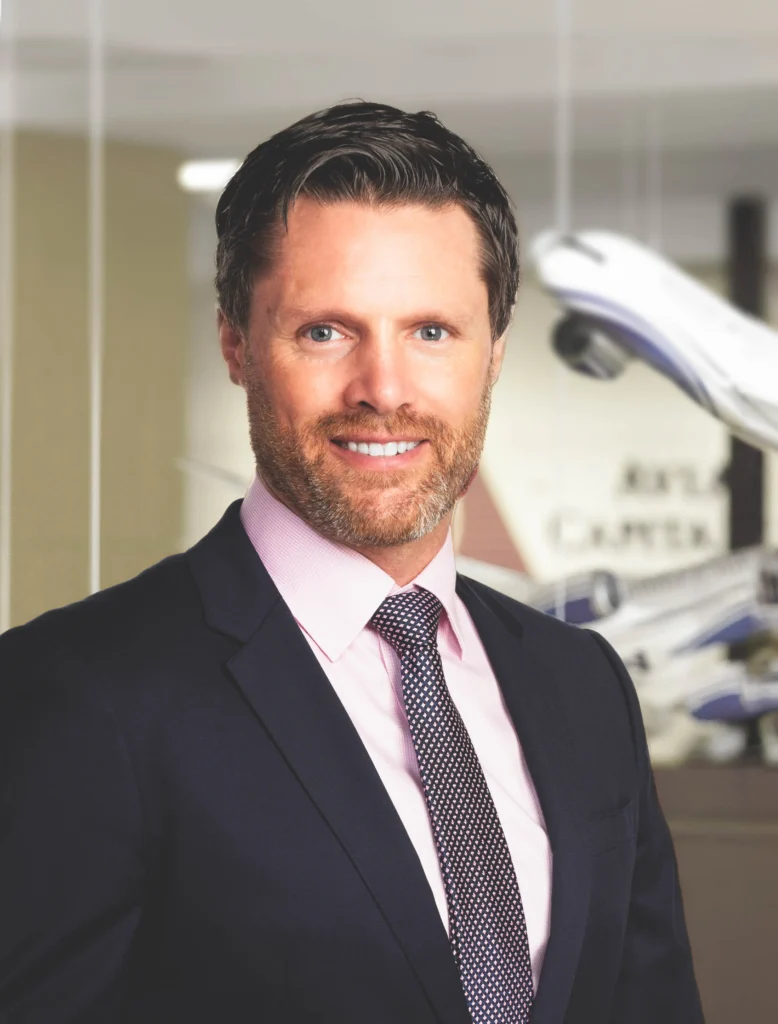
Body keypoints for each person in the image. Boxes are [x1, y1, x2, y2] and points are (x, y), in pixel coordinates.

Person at [0, 101, 703, 1024]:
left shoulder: (582, 683)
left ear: (492, 353)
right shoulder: (74, 692)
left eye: (432, 332)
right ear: (236, 346)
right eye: (326, 331)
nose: (384, 389)